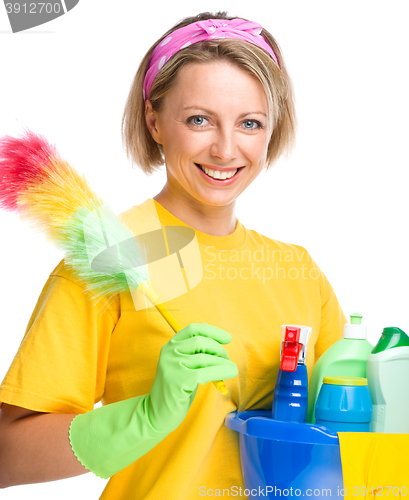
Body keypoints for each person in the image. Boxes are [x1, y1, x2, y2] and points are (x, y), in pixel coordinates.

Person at [0, 11, 347, 499]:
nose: (226, 149)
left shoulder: (298, 271)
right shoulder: (107, 260)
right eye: (199, 120)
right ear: (155, 122)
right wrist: (144, 416)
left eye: (250, 123)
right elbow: (6, 455)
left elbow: (350, 434)